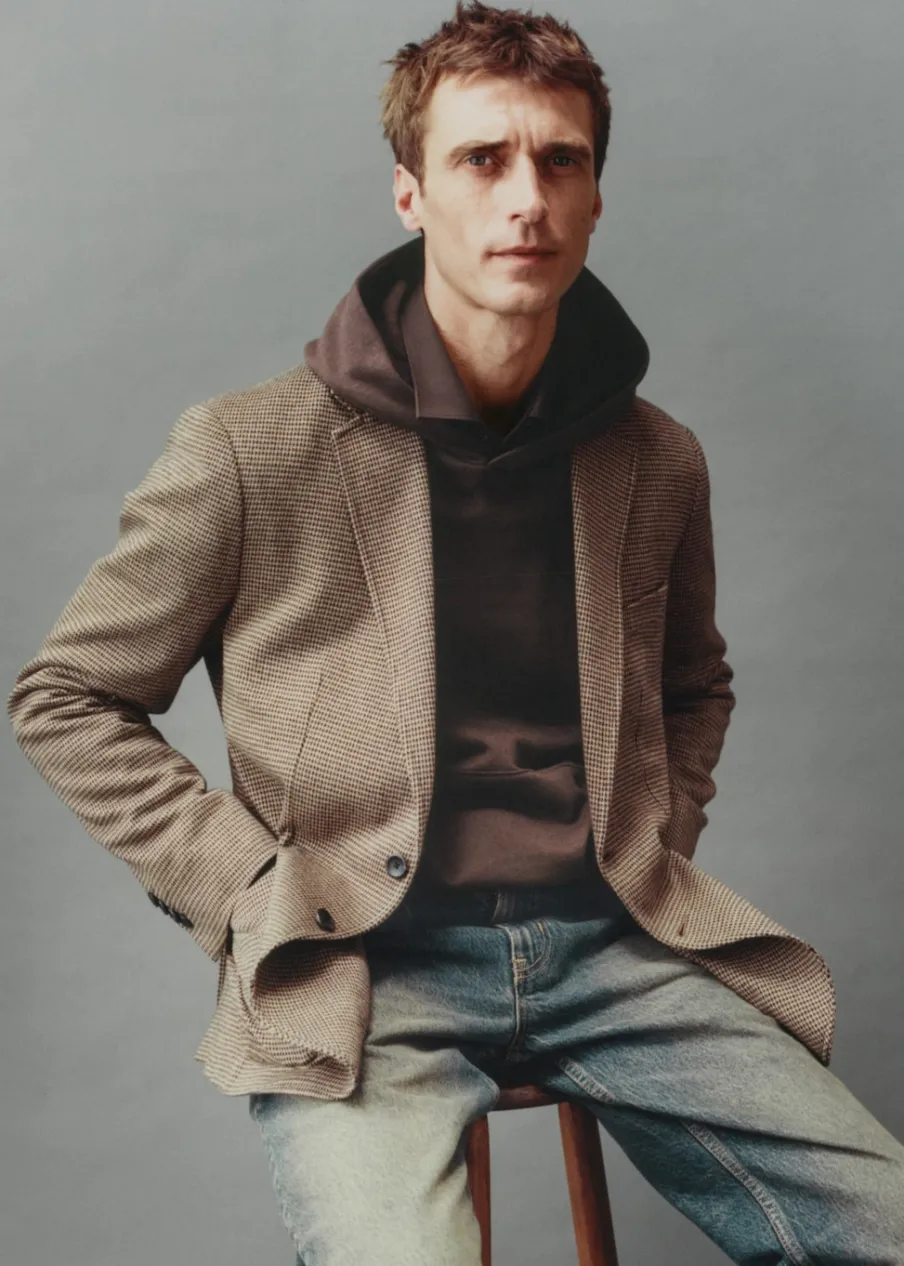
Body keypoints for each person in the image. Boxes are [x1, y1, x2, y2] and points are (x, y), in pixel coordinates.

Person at [8, 2, 904, 1261]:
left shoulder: (656, 460)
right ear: (409, 195)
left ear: (594, 197)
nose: (525, 198)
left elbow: (692, 687)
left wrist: (651, 840)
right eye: (482, 159)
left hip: (616, 951)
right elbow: (66, 697)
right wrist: (251, 888)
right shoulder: (247, 449)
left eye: (559, 161)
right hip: (366, 969)